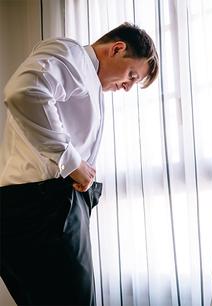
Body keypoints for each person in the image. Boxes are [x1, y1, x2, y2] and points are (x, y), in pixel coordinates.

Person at [0, 22, 159, 306]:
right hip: (45, 207)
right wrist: (72, 161)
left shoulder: (89, 80)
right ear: (117, 48)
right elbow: (23, 91)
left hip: (46, 206)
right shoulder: (71, 54)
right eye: (131, 75)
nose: (127, 87)